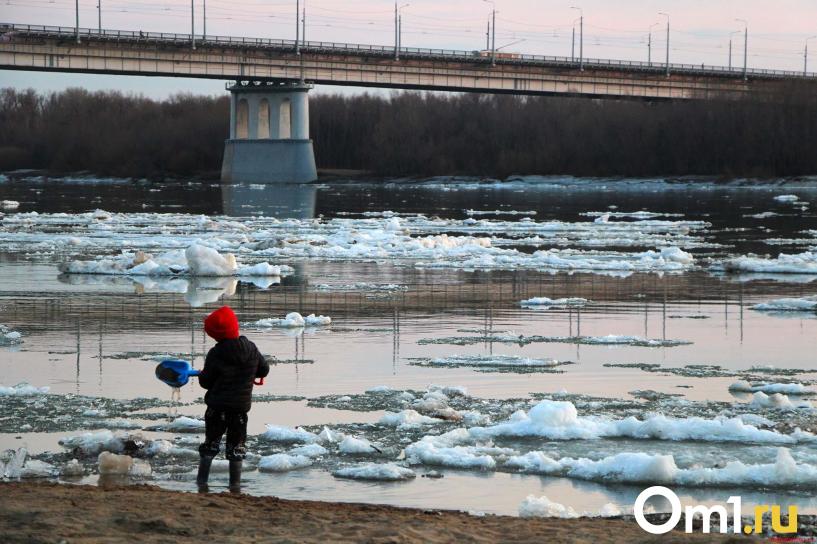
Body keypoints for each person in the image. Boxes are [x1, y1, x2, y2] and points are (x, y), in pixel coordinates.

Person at [196, 305, 269, 492]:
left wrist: (202, 374)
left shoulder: (216, 353)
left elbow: (206, 382)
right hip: (239, 409)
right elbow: (264, 369)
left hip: (217, 409)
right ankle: (235, 485)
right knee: (236, 447)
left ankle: (202, 482)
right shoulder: (251, 348)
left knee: (210, 444)